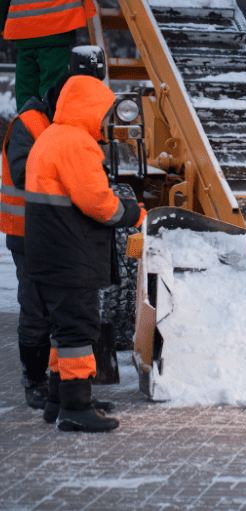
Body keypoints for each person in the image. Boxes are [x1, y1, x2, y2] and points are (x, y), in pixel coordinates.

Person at [25, 75, 145, 432]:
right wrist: (132, 211)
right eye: (105, 111)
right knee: (79, 330)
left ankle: (58, 400)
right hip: (69, 254)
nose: (108, 119)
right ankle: (76, 409)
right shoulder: (77, 143)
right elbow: (98, 204)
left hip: (50, 253)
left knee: (63, 329)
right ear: (90, 108)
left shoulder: (51, 136)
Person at [0, 47, 111, 415]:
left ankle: (63, 392)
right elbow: (23, 174)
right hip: (26, 230)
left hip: (59, 233)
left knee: (63, 314)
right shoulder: (30, 124)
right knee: (37, 311)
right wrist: (67, 157)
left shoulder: (74, 129)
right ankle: (33, 379)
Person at [0, 0, 97, 111]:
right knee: (53, 89)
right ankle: (52, 124)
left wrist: (4, 27)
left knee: (26, 90)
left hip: (25, 29)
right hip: (58, 27)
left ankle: (27, 126)